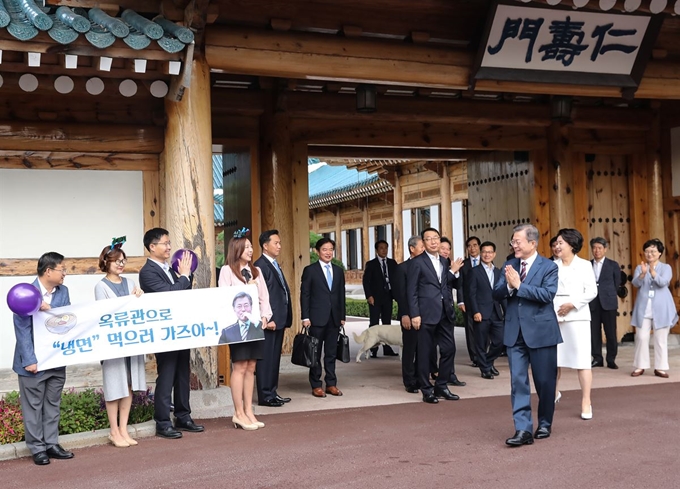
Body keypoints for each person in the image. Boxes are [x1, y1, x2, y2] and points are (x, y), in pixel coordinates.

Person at [493, 224, 561, 447]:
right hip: (515, 333)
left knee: (544, 382)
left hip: (541, 332)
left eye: (518, 241)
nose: (514, 245)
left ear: (532, 243)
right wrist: (511, 288)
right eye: (512, 241)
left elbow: (547, 295)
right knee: (518, 382)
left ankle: (544, 422)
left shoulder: (549, 266)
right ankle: (522, 429)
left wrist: (519, 286)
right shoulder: (509, 264)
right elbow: (497, 292)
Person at [139, 227, 204, 439]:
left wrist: (185, 277)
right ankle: (163, 421)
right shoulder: (147, 272)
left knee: (182, 374)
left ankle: (183, 416)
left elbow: (183, 294)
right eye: (165, 243)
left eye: (169, 243)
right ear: (152, 247)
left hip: (181, 329)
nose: (169, 247)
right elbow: (168, 295)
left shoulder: (170, 268)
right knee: (166, 376)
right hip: (164, 333)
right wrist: (184, 277)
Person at [13, 252, 75, 465]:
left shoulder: (63, 291)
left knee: (52, 404)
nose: (65, 273)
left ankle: (52, 444)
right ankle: (37, 448)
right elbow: (21, 329)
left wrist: (52, 310)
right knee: (33, 407)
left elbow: (67, 319)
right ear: (48, 271)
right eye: (62, 269)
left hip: (56, 359)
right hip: (34, 363)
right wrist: (29, 359)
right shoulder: (25, 293)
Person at [94, 241, 145, 448]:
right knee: (115, 385)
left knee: (129, 385)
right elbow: (105, 313)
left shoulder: (131, 282)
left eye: (123, 261)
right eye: (117, 261)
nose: (121, 265)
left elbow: (138, 310)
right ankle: (113, 431)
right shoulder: (101, 286)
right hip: (113, 344)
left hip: (131, 342)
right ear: (106, 262)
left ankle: (124, 428)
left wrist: (139, 297)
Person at [219, 230, 271, 430]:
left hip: (255, 326)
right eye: (247, 247)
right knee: (239, 366)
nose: (250, 250)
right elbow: (225, 298)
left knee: (251, 367)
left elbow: (264, 297)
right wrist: (246, 288)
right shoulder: (227, 271)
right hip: (238, 327)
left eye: (251, 247)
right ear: (237, 249)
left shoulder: (256, 270)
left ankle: (249, 410)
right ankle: (238, 413)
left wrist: (266, 316)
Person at [406, 227, 464, 404]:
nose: (433, 241)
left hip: (444, 313)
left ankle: (441, 385)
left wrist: (453, 273)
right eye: (429, 239)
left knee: (449, 349)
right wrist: (414, 313)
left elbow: (445, 285)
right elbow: (412, 291)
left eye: (436, 238)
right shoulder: (417, 262)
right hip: (425, 314)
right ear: (423, 243)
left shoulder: (445, 262)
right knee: (425, 353)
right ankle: (426, 389)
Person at [552, 229, 598, 420]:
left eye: (561, 242)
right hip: (554, 315)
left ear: (571, 244)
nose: (557, 246)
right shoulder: (551, 266)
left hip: (577, 316)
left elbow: (591, 291)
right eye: (556, 243)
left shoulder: (585, 265)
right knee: (553, 361)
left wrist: (572, 305)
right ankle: (552, 393)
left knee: (582, 361)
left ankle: (586, 400)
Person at [300, 237, 346, 398]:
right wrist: (305, 317)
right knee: (315, 353)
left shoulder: (338, 271)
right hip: (316, 318)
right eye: (325, 249)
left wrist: (342, 316)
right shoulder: (310, 270)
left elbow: (341, 295)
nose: (328, 252)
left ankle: (331, 384)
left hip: (334, 319)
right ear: (317, 251)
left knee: (331, 353)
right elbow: (305, 295)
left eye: (330, 249)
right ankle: (316, 385)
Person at [254, 230, 293, 407]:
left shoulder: (273, 264)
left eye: (279, 242)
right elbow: (259, 295)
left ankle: (272, 392)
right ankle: (265, 395)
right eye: (275, 243)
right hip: (269, 321)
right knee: (266, 359)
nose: (279, 246)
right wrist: (266, 317)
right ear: (265, 245)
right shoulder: (260, 265)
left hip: (279, 320)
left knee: (274, 358)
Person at [630, 239, 678, 379]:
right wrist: (643, 274)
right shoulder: (640, 267)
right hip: (644, 308)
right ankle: (640, 366)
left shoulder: (666, 267)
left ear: (659, 253)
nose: (649, 254)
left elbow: (664, 282)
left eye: (653, 251)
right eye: (647, 251)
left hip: (662, 307)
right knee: (641, 337)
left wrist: (653, 273)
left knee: (660, 339)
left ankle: (660, 368)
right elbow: (635, 283)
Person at [467, 241, 506, 380]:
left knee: (500, 342)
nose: (487, 254)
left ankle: (487, 362)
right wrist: (475, 311)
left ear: (494, 254)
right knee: (481, 343)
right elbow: (470, 294)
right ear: (480, 253)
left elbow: (502, 293)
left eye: (490, 252)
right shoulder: (474, 272)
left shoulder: (498, 271)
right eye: (484, 252)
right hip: (481, 313)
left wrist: (506, 311)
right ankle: (485, 369)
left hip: (496, 312)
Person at [393, 236, 425, 393]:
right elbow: (401, 294)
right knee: (410, 348)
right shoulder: (402, 268)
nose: (424, 249)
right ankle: (409, 381)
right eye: (422, 246)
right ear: (412, 249)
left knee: (423, 348)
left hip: (425, 314)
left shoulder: (427, 265)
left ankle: (421, 378)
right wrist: (405, 314)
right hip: (409, 315)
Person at [362, 240, 399, 357]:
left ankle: (387, 349)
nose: (384, 250)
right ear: (377, 250)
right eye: (381, 248)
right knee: (374, 323)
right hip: (375, 298)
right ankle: (373, 349)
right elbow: (366, 281)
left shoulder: (392, 263)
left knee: (386, 323)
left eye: (386, 248)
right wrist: (369, 296)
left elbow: (397, 280)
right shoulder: (371, 264)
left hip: (388, 296)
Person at [589, 237, 621, 369]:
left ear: (605, 249)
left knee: (611, 332)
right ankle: (597, 358)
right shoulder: (587, 265)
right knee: (594, 332)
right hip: (592, 303)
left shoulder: (613, 265)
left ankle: (611, 359)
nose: (597, 251)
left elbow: (617, 283)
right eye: (594, 248)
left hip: (608, 302)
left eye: (600, 248)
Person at [439, 236, 464, 387]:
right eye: (443, 248)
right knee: (428, 348)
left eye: (448, 249)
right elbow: (439, 284)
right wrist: (452, 272)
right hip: (432, 312)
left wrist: (456, 272)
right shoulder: (432, 265)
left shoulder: (450, 264)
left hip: (447, 311)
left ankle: (450, 375)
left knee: (449, 347)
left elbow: (458, 285)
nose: (446, 251)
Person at [456, 236, 482, 369]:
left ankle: (483, 354)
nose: (472, 248)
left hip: (483, 302)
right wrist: (460, 301)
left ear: (479, 247)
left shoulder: (485, 261)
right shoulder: (464, 265)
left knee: (484, 329)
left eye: (475, 245)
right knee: (471, 330)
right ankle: (475, 357)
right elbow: (460, 284)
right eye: (470, 246)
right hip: (468, 302)